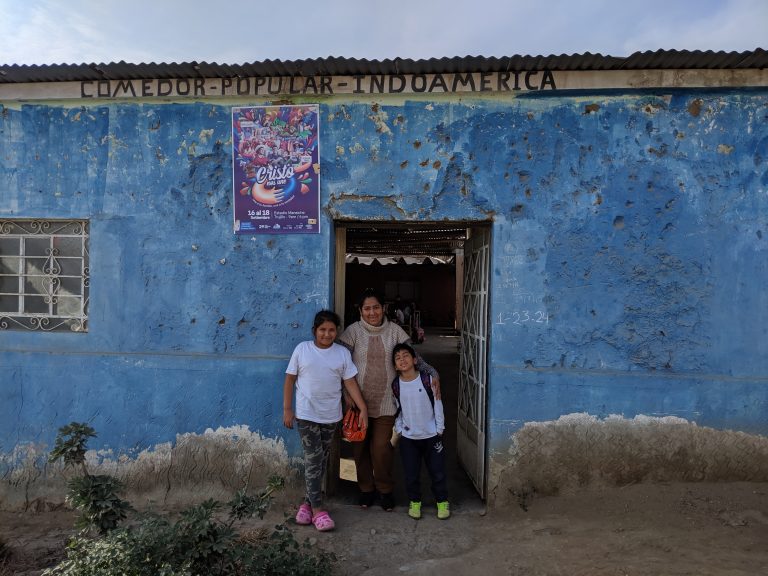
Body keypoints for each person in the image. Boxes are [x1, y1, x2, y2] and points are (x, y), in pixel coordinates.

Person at [339, 288, 439, 511]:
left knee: (382, 449)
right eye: (367, 308)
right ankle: (366, 490)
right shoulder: (352, 332)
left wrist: (433, 374)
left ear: (383, 308)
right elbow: (340, 364)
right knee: (359, 449)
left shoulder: (396, 332)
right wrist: (346, 395)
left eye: (376, 307)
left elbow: (414, 359)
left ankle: (385, 490)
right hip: (357, 403)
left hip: (386, 402)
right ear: (360, 310)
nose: (372, 312)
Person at [283, 310, 367, 531]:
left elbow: (350, 382)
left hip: (331, 417)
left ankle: (306, 503)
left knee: (320, 461)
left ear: (336, 332)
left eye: (331, 330)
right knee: (314, 458)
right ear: (314, 331)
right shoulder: (302, 350)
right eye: (322, 330)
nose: (327, 334)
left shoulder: (341, 354)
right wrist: (287, 409)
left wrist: (362, 407)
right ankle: (319, 510)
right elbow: (290, 380)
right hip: (306, 414)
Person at [391, 343, 450, 520]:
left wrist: (439, 428)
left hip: (431, 436)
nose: (402, 360)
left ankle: (442, 501)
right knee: (411, 474)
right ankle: (415, 502)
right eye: (398, 358)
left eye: (406, 355)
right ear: (395, 365)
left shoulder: (427, 380)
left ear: (415, 360)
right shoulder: (396, 385)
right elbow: (398, 409)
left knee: (437, 472)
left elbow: (437, 404)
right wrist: (400, 429)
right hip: (409, 438)